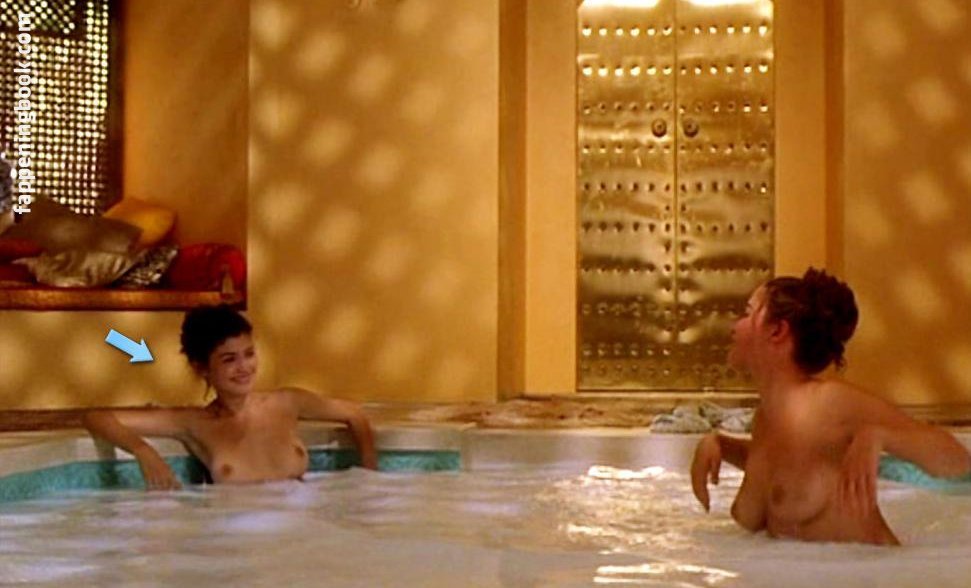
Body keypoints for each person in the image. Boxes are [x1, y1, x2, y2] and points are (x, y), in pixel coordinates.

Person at [691, 268, 970, 545]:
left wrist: (879, 436)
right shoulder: (767, 418)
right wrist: (720, 444)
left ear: (777, 331)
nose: (734, 326)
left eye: (748, 312)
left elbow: (957, 462)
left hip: (870, 568)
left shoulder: (830, 403)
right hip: (810, 566)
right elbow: (788, 467)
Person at [83, 304, 378, 489]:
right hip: (239, 539)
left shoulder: (286, 403)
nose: (244, 367)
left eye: (249, 354)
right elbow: (97, 417)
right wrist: (143, 451)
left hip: (300, 536)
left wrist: (369, 477)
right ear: (202, 368)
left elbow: (353, 414)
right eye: (229, 359)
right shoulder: (194, 422)